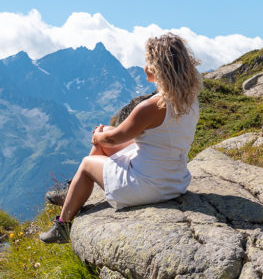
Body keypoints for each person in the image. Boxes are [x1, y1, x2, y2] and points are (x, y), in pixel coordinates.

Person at [39, 32, 202, 243]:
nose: (145, 67)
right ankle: (71, 193)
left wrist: (98, 136)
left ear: (157, 67)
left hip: (148, 185)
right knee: (107, 130)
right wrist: (105, 133)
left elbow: (112, 140)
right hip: (175, 180)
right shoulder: (189, 99)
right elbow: (154, 137)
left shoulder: (152, 106)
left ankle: (64, 225)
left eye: (148, 61)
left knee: (88, 164)